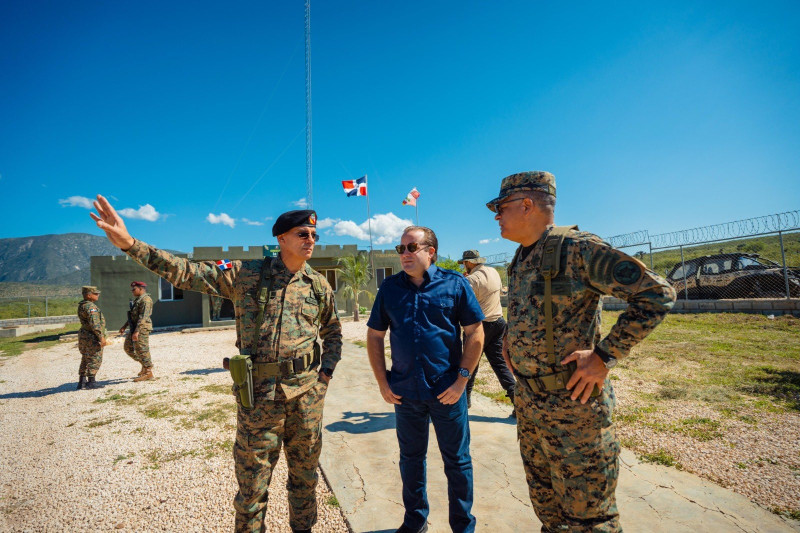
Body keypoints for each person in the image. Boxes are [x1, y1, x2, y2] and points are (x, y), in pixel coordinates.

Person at [90, 195, 342, 533]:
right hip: (260, 402)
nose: (310, 240)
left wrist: (325, 374)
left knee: (305, 480)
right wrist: (131, 244)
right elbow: (186, 273)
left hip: (308, 398)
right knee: (252, 489)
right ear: (281, 238)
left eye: (314, 235)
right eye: (302, 234)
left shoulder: (319, 284)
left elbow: (333, 332)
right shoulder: (245, 275)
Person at [487, 171, 676, 532]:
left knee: (589, 518)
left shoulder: (576, 248)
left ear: (527, 205)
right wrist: (512, 343)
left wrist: (604, 357)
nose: (496, 215)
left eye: (501, 207)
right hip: (531, 404)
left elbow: (657, 293)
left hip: (575, 408)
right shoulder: (521, 257)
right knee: (549, 511)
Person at [366, 226, 485, 533]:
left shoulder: (455, 285)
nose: (404, 254)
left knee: (457, 462)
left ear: (430, 252)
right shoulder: (389, 289)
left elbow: (475, 333)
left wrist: (461, 381)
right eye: (401, 248)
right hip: (405, 394)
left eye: (411, 247)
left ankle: (463, 526)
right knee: (411, 460)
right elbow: (375, 336)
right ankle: (415, 521)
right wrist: (383, 382)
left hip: (447, 392)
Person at [457, 250, 515, 416]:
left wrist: (464, 279)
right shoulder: (493, 272)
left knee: (469, 364)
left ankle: (464, 403)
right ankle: (517, 400)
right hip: (498, 323)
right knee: (500, 364)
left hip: (480, 326)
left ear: (468, 263)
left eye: (464, 263)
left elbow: (463, 303)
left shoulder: (471, 280)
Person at [118, 281, 155, 382]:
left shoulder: (146, 300)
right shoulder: (138, 300)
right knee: (128, 348)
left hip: (141, 328)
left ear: (141, 289)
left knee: (142, 349)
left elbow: (143, 317)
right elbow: (133, 316)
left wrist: (137, 331)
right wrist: (125, 326)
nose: (132, 291)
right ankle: (145, 365)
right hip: (134, 328)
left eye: (134, 289)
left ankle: (148, 372)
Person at [77, 285, 107, 390]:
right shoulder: (91, 307)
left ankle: (82, 381)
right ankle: (91, 382)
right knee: (95, 357)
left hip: (84, 335)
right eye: (95, 293)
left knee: (85, 357)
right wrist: (101, 337)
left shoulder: (82, 305)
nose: (98, 295)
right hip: (92, 336)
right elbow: (95, 324)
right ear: (89, 295)